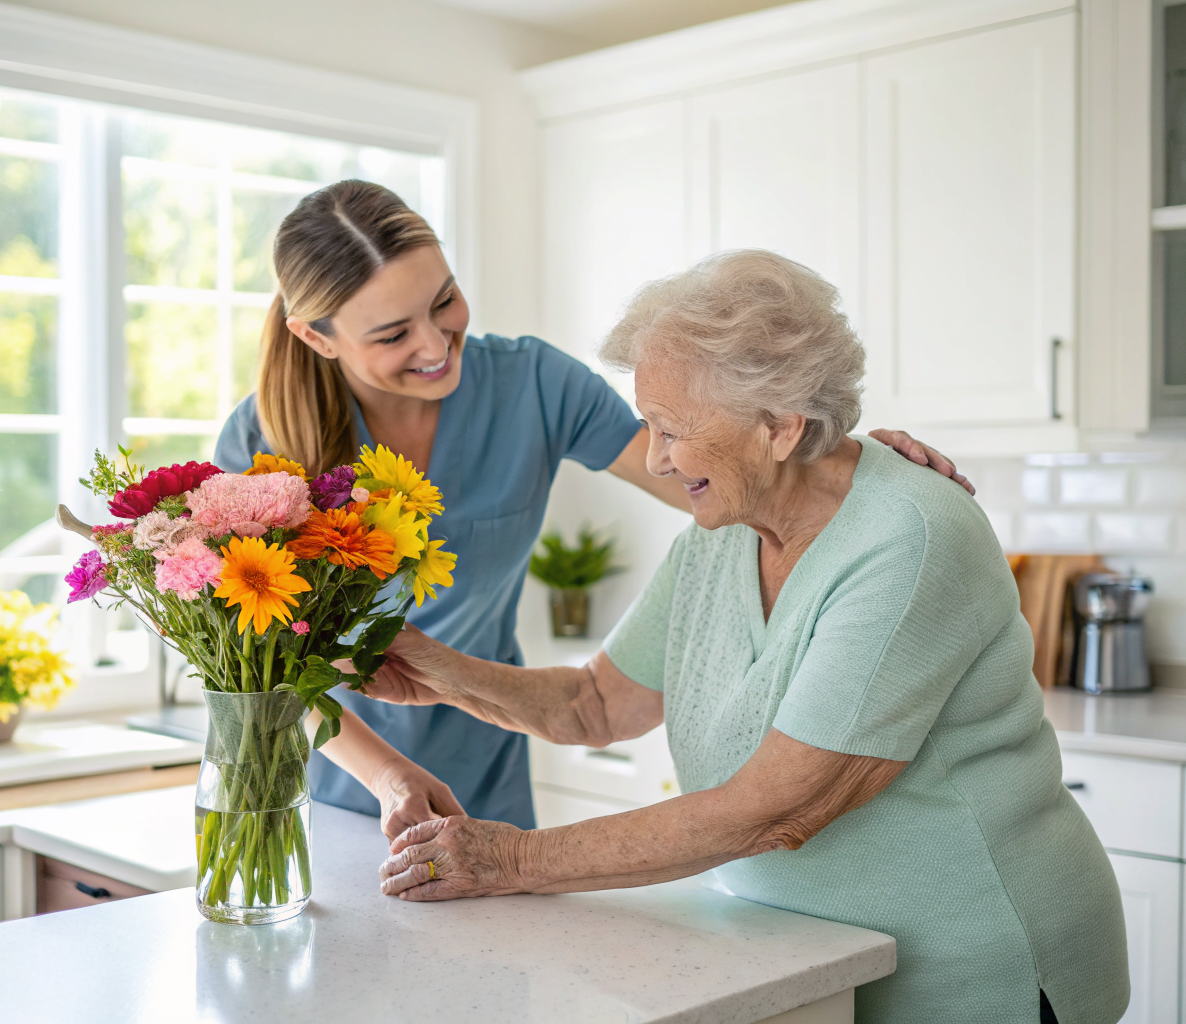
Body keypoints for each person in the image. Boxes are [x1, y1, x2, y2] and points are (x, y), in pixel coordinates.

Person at [364, 250, 1130, 1023]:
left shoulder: (908, 537)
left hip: (971, 967)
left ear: (780, 427)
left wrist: (512, 859)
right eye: (647, 427)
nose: (655, 461)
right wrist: (435, 671)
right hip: (801, 954)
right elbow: (595, 703)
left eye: (672, 431)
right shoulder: (722, 531)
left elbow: (772, 811)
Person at [213, 180, 973, 836]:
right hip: (317, 779)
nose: (436, 342)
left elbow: (716, 473)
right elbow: (263, 667)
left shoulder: (533, 386)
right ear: (315, 336)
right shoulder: (262, 441)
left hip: (489, 763)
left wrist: (836, 457)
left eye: (443, 300)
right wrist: (388, 779)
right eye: (391, 333)